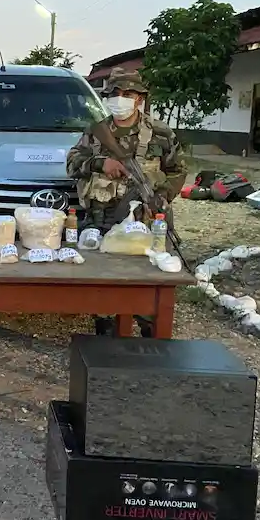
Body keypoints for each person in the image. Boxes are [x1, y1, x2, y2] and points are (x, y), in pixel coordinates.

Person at [66, 67, 187, 337]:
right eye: (115, 93)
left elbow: (178, 170)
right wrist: (100, 163)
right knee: (105, 283)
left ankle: (149, 333)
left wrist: (162, 197)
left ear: (140, 99)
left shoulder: (160, 133)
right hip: (103, 218)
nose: (120, 99)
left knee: (148, 281)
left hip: (146, 222)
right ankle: (106, 331)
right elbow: (72, 163)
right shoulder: (96, 132)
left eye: (128, 94)